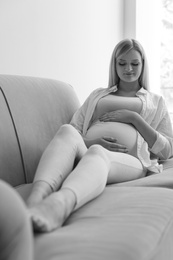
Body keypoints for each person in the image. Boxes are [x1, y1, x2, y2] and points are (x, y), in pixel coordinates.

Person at [27, 38, 173, 233]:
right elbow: (75, 127)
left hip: (131, 161)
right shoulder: (98, 94)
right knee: (66, 131)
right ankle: (34, 200)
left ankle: (59, 205)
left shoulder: (156, 101)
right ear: (114, 65)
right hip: (87, 149)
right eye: (122, 63)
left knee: (98, 152)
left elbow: (167, 151)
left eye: (134, 63)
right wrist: (89, 141)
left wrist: (134, 118)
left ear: (143, 65)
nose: (128, 68)